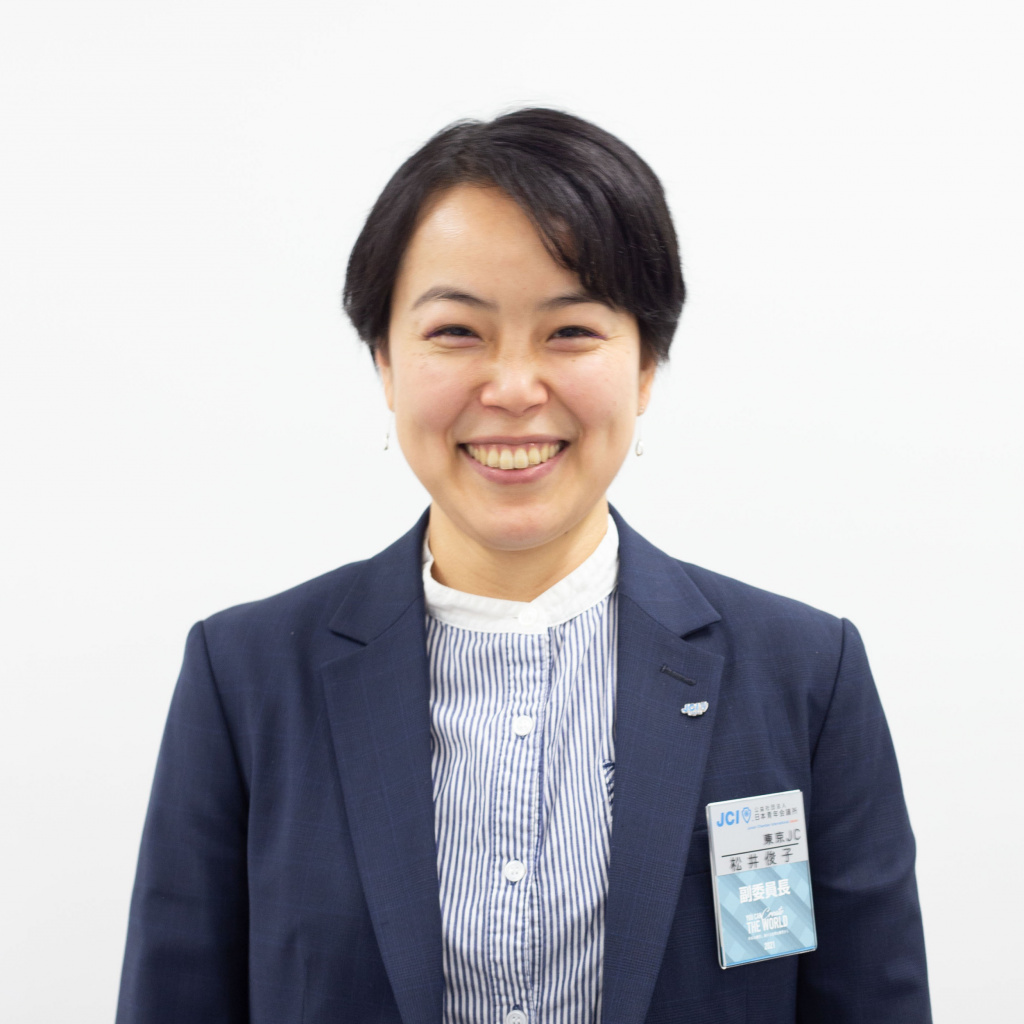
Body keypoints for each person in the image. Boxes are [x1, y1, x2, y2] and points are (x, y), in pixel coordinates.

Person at [116, 109, 931, 1023]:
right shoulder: (245, 677)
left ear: (647, 364)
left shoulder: (804, 675)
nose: (511, 389)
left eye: (571, 331)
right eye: (456, 331)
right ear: (385, 362)